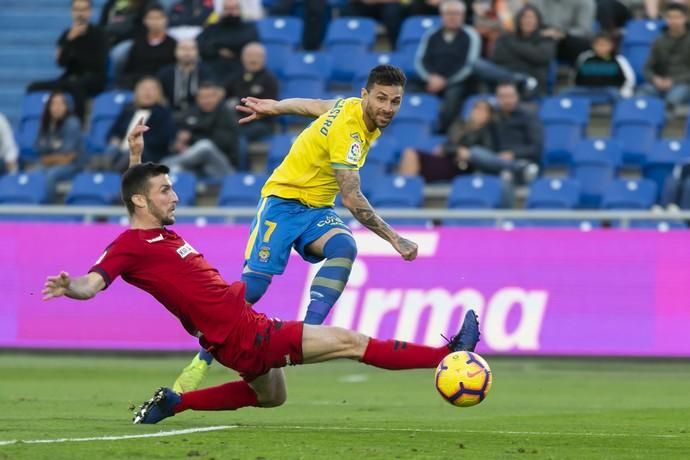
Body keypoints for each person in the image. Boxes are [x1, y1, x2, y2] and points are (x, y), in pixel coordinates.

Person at [41, 120, 481, 425]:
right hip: (242, 332)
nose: (174, 196)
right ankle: (448, 354)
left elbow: (135, 192)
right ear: (142, 202)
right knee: (352, 342)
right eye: (165, 191)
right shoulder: (127, 246)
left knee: (273, 396)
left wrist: (136, 154)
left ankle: (173, 404)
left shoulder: (153, 231)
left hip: (231, 332)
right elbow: (93, 283)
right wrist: (71, 287)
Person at [171, 65, 419, 393]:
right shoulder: (351, 132)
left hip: (315, 210)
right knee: (253, 290)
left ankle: (308, 334)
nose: (387, 107)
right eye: (381, 99)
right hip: (282, 203)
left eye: (395, 101)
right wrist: (395, 238)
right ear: (366, 95)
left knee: (343, 248)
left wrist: (275, 106)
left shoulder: (348, 106)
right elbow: (351, 197)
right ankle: (202, 359)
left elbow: (313, 105)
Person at [27, 0, 108, 122]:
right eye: (77, 9)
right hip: (69, 78)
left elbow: (99, 63)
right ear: (72, 12)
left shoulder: (99, 34)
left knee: (75, 86)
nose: (80, 13)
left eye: (84, 9)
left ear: (90, 12)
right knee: (33, 87)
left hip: (94, 78)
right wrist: (70, 40)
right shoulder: (67, 35)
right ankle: (38, 127)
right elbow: (61, 63)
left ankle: (78, 125)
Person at [91, 77, 175, 172]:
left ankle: (111, 176)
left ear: (159, 93)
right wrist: (115, 139)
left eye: (152, 89)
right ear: (136, 92)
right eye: (144, 89)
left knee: (129, 155)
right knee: (102, 156)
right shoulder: (128, 110)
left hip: (146, 154)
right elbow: (113, 132)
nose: (147, 92)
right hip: (120, 151)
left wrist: (136, 145)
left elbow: (163, 139)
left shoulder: (163, 113)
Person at [162, 82, 240, 177]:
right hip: (196, 166)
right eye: (202, 97)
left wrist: (191, 138)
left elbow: (222, 143)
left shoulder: (226, 113)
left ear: (217, 97)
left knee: (205, 146)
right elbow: (179, 132)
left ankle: (167, 163)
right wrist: (179, 142)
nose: (206, 100)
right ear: (197, 99)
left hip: (222, 166)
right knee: (176, 169)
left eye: (210, 96)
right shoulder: (191, 113)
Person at [491, 4, 556, 97]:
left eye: (532, 18)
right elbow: (497, 57)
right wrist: (529, 57)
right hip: (507, 75)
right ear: (519, 20)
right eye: (525, 17)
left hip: (534, 79)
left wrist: (514, 47)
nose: (528, 21)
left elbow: (542, 57)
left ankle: (521, 80)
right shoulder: (506, 37)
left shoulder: (546, 39)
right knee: (478, 65)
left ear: (538, 21)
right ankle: (519, 78)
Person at [29, 91, 84, 200]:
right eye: (53, 104)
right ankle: (32, 205)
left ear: (66, 106)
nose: (56, 107)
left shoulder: (72, 123)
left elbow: (68, 157)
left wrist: (46, 159)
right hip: (50, 164)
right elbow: (37, 147)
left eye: (60, 104)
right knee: (32, 173)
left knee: (51, 175)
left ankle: (48, 209)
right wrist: (49, 156)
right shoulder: (46, 124)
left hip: (73, 165)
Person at [224, 42, 279, 141]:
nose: (252, 59)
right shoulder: (236, 77)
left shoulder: (270, 80)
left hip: (260, 122)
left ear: (264, 59)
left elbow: (270, 110)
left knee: (236, 135)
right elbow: (223, 95)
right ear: (242, 58)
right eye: (249, 56)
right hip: (236, 120)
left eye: (257, 56)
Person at [641, 3, 690, 112]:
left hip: (684, 84)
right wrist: (655, 79)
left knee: (672, 99)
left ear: (685, 18)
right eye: (670, 17)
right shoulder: (659, 41)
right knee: (642, 93)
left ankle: (659, 125)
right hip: (660, 84)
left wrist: (673, 81)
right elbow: (647, 68)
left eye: (677, 17)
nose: (673, 21)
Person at [117, 4, 177, 89]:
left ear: (166, 20)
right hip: (137, 85)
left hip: (162, 86)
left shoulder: (173, 44)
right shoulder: (138, 43)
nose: (155, 22)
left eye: (159, 18)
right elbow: (129, 69)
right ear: (145, 20)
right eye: (151, 18)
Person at [196, 0, 259, 80]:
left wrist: (216, 45)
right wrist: (217, 51)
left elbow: (249, 45)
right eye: (227, 9)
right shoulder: (212, 28)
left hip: (240, 71)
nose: (230, 12)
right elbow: (200, 45)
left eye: (233, 9)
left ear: (239, 10)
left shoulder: (248, 28)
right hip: (213, 70)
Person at [157, 39, 214, 121]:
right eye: (183, 49)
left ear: (197, 52)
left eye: (191, 49)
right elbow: (159, 96)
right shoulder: (165, 73)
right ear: (175, 52)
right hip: (170, 114)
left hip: (200, 115)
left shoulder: (206, 72)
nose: (187, 52)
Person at [572, 32, 636, 100]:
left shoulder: (619, 59)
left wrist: (624, 92)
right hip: (586, 90)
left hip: (609, 91)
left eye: (604, 45)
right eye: (598, 44)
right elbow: (577, 77)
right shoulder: (585, 58)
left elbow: (629, 80)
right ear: (593, 45)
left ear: (611, 46)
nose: (601, 47)